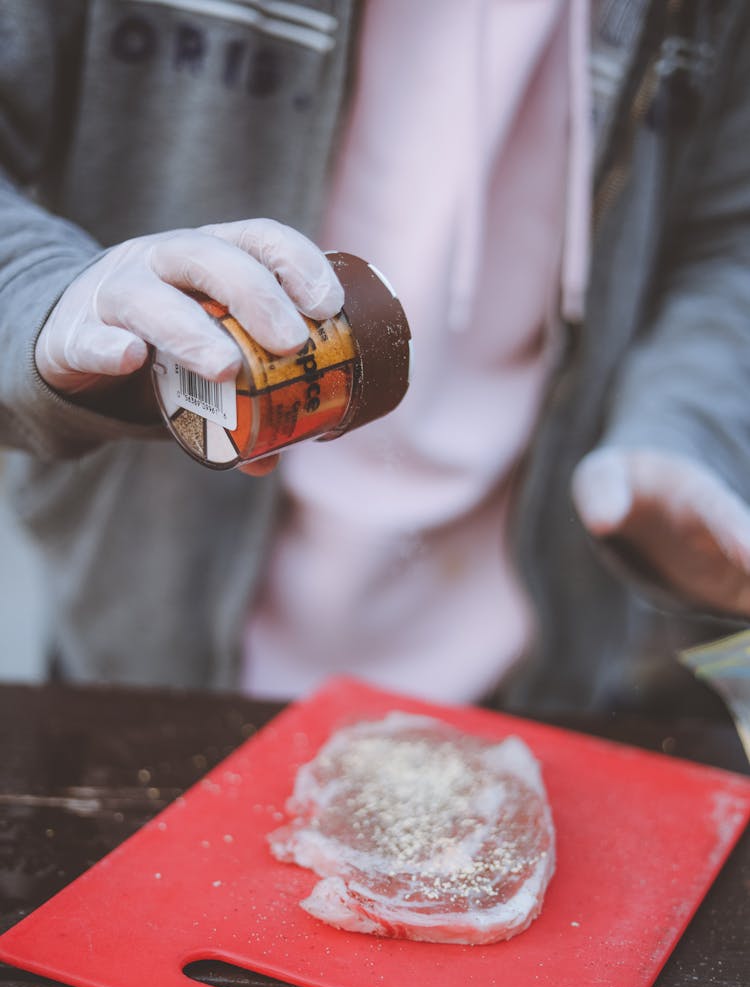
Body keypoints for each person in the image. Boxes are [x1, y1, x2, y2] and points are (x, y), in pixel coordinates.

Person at [1, 0, 749, 718]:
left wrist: (684, 420)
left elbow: (727, 233)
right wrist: (36, 289)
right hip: (147, 662)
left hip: (544, 682)